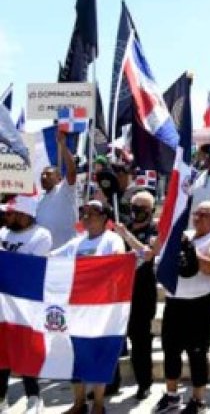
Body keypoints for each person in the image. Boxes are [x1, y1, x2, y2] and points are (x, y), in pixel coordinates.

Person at [52, 201, 125, 414]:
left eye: (92, 213)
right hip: (75, 310)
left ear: (104, 217)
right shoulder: (76, 243)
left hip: (101, 309)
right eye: (84, 213)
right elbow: (51, 258)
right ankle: (79, 401)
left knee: (98, 355)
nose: (87, 217)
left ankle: (99, 403)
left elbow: (118, 263)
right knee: (74, 356)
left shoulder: (112, 240)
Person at [153, 201, 210, 414]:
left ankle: (198, 399)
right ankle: (172, 395)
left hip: (200, 303)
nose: (198, 217)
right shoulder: (187, 235)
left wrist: (191, 248)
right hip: (175, 301)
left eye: (204, 214)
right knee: (170, 349)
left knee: (197, 352)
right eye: (197, 213)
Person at [0, 195, 51, 414]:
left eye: (10, 213)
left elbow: (30, 267)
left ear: (24, 214)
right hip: (3, 302)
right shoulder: (2, 232)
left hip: (26, 304)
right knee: (1, 351)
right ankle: (1, 398)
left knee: (25, 351)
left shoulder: (41, 235)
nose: (6, 216)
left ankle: (34, 397)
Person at [112, 191, 158, 401]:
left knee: (140, 341)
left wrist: (126, 236)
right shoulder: (124, 228)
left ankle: (144, 383)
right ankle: (111, 383)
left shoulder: (153, 230)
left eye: (141, 208)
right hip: (119, 292)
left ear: (150, 210)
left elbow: (147, 253)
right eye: (134, 207)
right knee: (113, 340)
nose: (136, 212)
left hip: (142, 293)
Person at [36, 129, 78, 249]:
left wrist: (63, 145)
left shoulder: (65, 190)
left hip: (65, 252)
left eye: (48, 174)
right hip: (46, 252)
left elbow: (72, 171)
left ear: (59, 177)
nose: (44, 177)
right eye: (42, 175)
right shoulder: (40, 199)